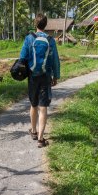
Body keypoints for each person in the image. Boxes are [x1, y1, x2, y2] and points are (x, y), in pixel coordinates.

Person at [19, 14, 60, 148]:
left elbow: (22, 57)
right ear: (45, 24)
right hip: (46, 76)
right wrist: (56, 76)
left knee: (33, 104)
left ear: (35, 24)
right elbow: (55, 60)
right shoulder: (50, 40)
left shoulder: (29, 38)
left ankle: (34, 131)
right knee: (43, 108)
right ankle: (41, 139)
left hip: (32, 76)